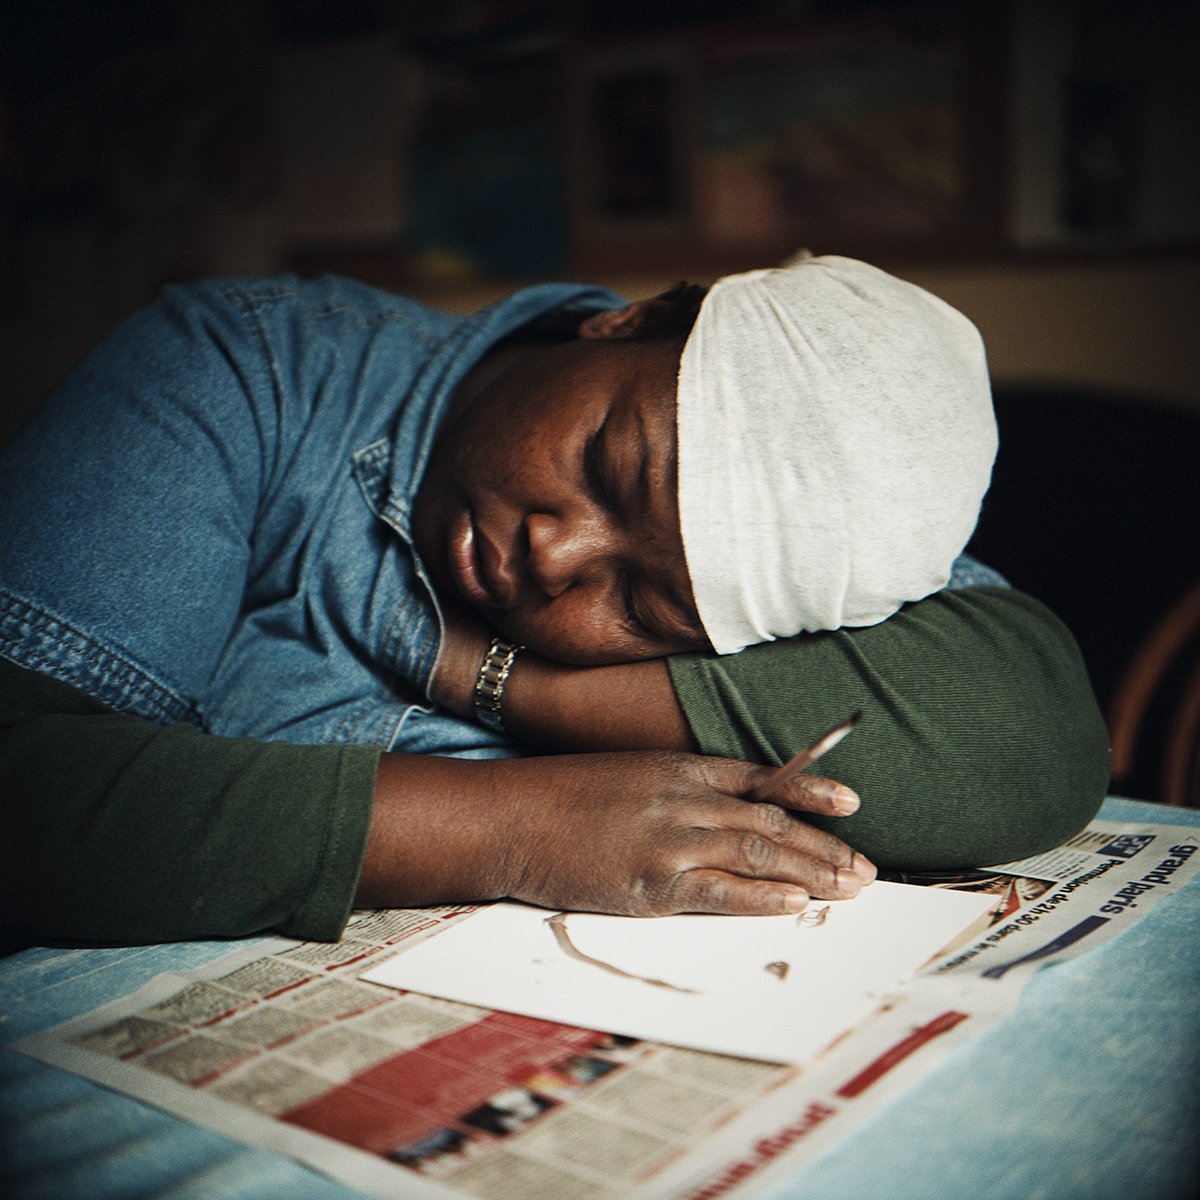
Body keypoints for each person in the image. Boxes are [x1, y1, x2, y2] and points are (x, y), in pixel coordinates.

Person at [0, 260, 1110, 946]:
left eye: (645, 607)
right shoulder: (247, 368)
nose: (557, 553)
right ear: (626, 322)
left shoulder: (823, 541)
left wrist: (503, 682)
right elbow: (28, 800)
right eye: (610, 462)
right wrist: (516, 827)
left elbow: (1030, 742)